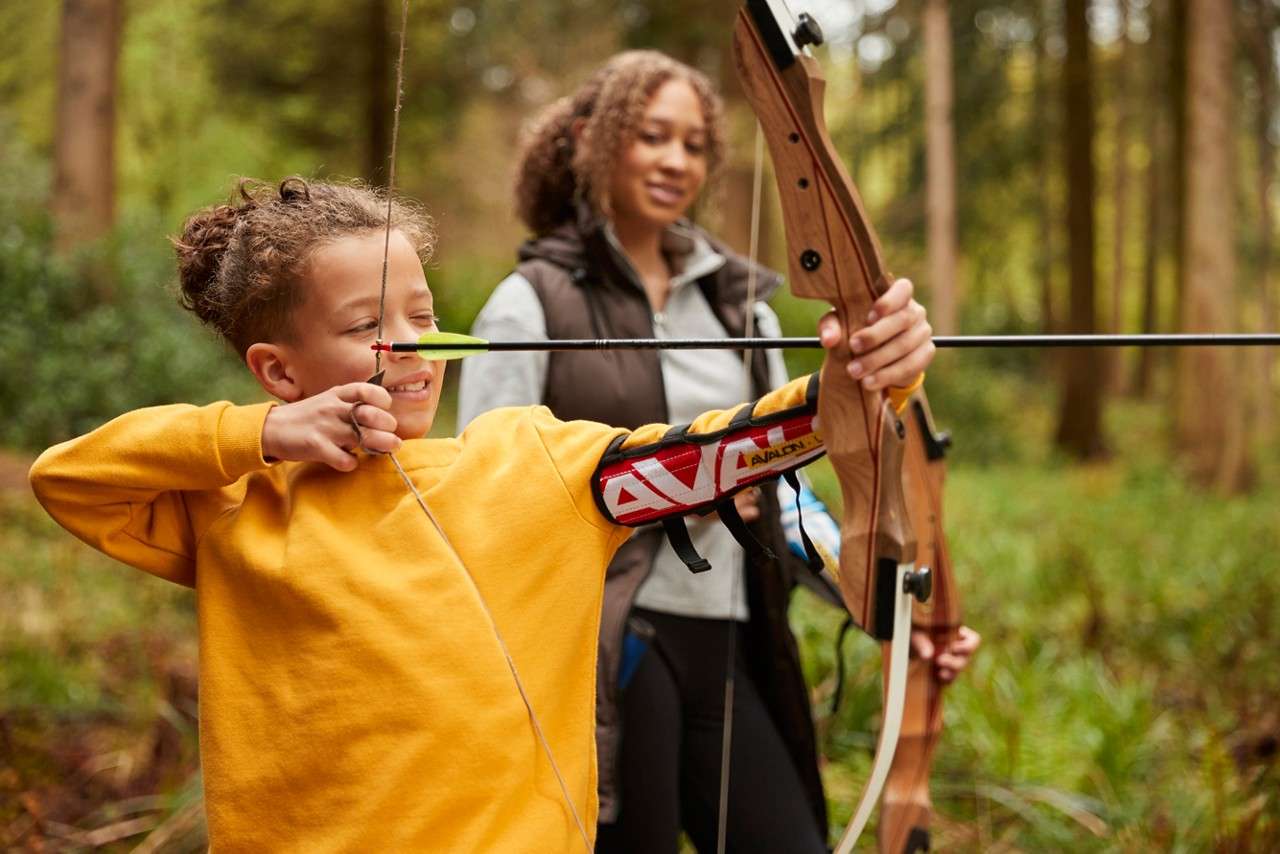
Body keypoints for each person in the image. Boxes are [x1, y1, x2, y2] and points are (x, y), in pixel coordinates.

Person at [28, 176, 935, 850]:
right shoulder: (234, 503)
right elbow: (70, 478)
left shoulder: (537, 464)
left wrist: (850, 391)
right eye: (367, 326)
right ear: (278, 369)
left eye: (423, 315)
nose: (414, 348)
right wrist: (262, 434)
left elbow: (710, 454)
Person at [458, 51, 977, 853]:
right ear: (593, 140)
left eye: (696, 144)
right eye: (652, 136)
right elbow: (484, 501)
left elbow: (790, 491)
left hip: (732, 631)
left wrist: (892, 605)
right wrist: (680, 488)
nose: (676, 160)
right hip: (605, 649)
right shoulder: (531, 302)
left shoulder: (742, 309)